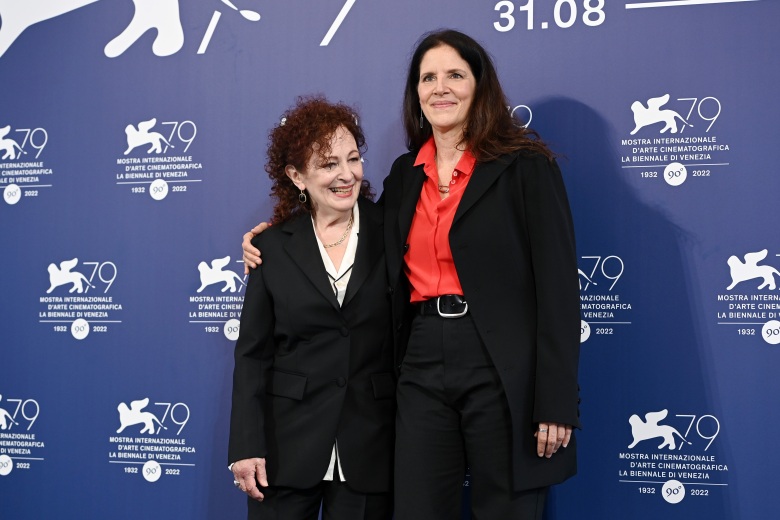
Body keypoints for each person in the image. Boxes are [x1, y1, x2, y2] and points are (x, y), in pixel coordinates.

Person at [243, 29, 580, 520]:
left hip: (501, 363)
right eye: (428, 77)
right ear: (416, 92)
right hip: (419, 361)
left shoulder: (525, 167)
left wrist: (556, 402)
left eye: (455, 75)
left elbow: (558, 291)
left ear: (479, 85)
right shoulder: (406, 174)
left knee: (506, 509)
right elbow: (347, 225)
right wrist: (274, 238)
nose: (440, 87)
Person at [229, 96, 395, 520]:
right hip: (287, 448)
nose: (346, 174)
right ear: (297, 176)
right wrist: (247, 445)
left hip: (372, 443)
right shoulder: (270, 247)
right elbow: (253, 354)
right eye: (328, 164)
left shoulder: (394, 230)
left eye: (353, 158)